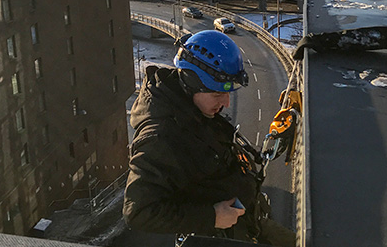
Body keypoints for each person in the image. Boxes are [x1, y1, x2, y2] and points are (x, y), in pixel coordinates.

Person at [123, 30, 296, 246]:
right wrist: (210, 217)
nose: (226, 103)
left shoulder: (191, 110)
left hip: (248, 225)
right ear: (191, 83)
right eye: (217, 94)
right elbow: (138, 211)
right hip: (223, 236)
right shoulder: (160, 137)